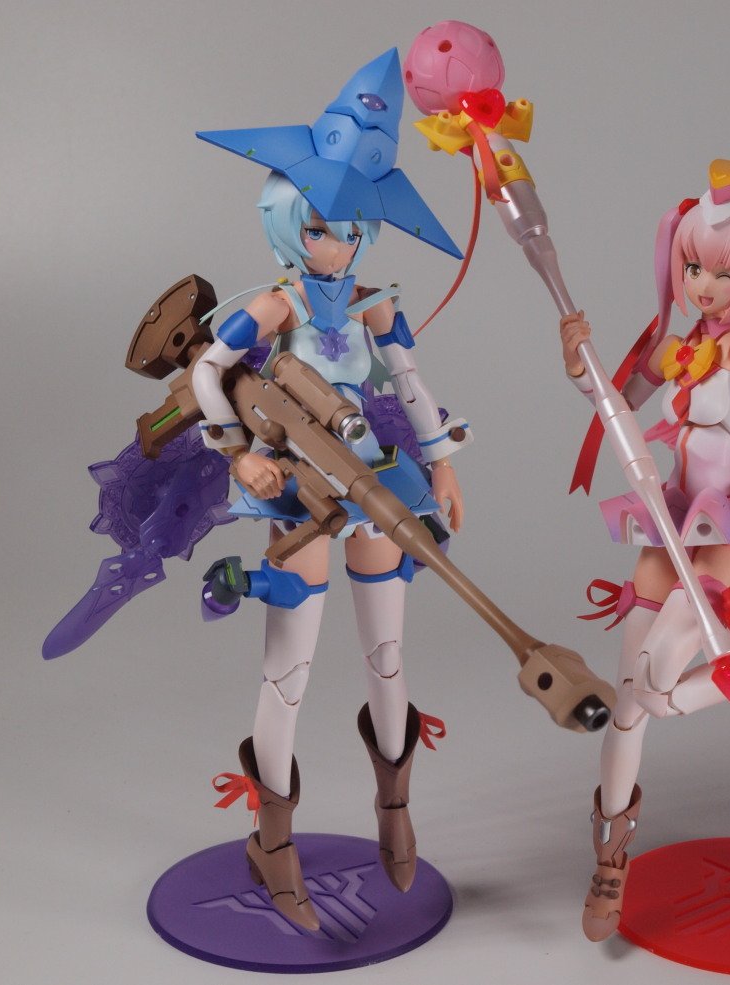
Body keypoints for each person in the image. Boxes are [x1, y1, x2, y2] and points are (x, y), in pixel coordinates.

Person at [191, 49, 469, 931]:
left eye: (349, 228)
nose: (336, 243)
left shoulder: (376, 302)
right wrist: (238, 453)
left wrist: (443, 461)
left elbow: (412, 386)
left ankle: (395, 804)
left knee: (387, 655)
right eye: (319, 227)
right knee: (292, 668)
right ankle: (272, 838)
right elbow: (206, 370)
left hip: (373, 474)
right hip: (298, 485)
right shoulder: (275, 305)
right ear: (290, 224)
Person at [561, 160, 730, 941]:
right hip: (672, 515)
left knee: (655, 688)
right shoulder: (676, 349)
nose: (705, 284)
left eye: (724, 272)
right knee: (628, 706)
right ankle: (611, 862)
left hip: (727, 527)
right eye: (693, 267)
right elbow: (618, 404)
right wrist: (581, 363)